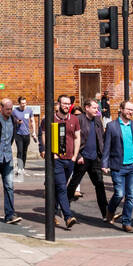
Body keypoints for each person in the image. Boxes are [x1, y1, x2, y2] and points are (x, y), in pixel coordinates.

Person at [38, 94, 80, 229]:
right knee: (62, 187)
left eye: (68, 104)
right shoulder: (50, 119)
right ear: (58, 104)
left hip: (70, 159)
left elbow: (77, 137)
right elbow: (43, 134)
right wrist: (50, 152)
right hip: (57, 160)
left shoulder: (74, 119)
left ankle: (51, 213)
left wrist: (75, 156)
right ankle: (68, 217)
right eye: (64, 103)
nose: (67, 106)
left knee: (58, 188)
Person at [104, 100, 133, 232]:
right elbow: (107, 146)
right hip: (118, 166)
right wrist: (105, 163)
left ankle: (126, 222)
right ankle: (110, 210)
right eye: (128, 109)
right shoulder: (112, 126)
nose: (130, 112)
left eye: (132, 110)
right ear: (121, 109)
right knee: (119, 193)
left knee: (131, 196)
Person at [68, 99, 108, 220]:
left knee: (100, 185)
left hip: (95, 158)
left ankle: (106, 213)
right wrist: (78, 155)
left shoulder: (97, 120)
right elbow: (72, 138)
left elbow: (101, 138)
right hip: (83, 158)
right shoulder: (78, 119)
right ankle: (64, 206)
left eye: (97, 108)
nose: (97, 110)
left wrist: (102, 156)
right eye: (95, 108)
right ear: (87, 108)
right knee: (74, 183)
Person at [12, 96, 34, 179]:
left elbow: (32, 121)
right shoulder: (15, 111)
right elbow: (12, 120)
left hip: (26, 134)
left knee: (24, 152)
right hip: (18, 134)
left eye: (25, 103)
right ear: (19, 103)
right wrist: (17, 121)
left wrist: (34, 132)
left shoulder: (29, 110)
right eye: (22, 103)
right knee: (20, 151)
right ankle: (19, 168)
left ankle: (22, 167)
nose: (23, 105)